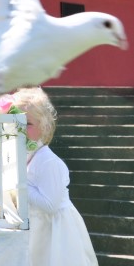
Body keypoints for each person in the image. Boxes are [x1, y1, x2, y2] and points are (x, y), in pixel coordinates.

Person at [12, 87, 98, 266]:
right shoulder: (30, 156)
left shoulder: (48, 161)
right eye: (16, 123)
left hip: (55, 231)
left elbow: (50, 205)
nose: (20, 129)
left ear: (44, 127)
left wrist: (18, 184)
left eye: (28, 124)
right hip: (38, 226)